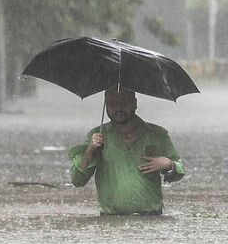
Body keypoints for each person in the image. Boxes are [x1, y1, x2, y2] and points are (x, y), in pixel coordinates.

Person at [69, 85, 185, 215]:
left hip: (151, 219)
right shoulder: (97, 136)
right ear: (105, 105)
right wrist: (90, 150)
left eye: (123, 102)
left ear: (134, 103)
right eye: (112, 103)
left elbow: (180, 170)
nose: (118, 107)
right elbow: (77, 180)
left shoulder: (157, 135)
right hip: (110, 220)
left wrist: (169, 165)